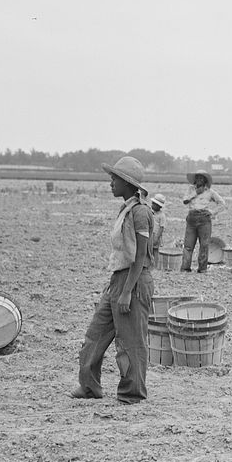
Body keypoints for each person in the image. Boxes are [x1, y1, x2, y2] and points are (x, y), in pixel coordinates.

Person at [70, 156, 155, 405]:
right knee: (94, 335)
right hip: (118, 279)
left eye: (114, 178)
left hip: (134, 281)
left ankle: (132, 393)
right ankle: (89, 386)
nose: (110, 183)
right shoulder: (126, 208)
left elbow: (140, 256)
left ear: (127, 183)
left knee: (130, 342)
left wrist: (127, 291)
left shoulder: (141, 212)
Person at [180, 170, 226, 273]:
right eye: (198, 178)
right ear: (195, 180)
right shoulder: (190, 189)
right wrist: (196, 193)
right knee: (188, 245)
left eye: (201, 178)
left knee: (204, 245)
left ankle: (202, 268)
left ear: (205, 181)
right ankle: (185, 268)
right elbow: (185, 200)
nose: (199, 180)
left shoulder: (210, 192)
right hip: (191, 218)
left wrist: (212, 212)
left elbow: (222, 203)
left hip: (204, 219)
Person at [149, 193, 167, 267]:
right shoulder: (150, 212)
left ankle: (155, 265)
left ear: (159, 206)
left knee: (155, 250)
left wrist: (157, 237)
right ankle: (149, 264)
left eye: (154, 204)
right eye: (152, 203)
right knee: (149, 249)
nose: (152, 205)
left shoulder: (161, 215)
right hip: (149, 233)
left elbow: (161, 227)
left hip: (156, 235)